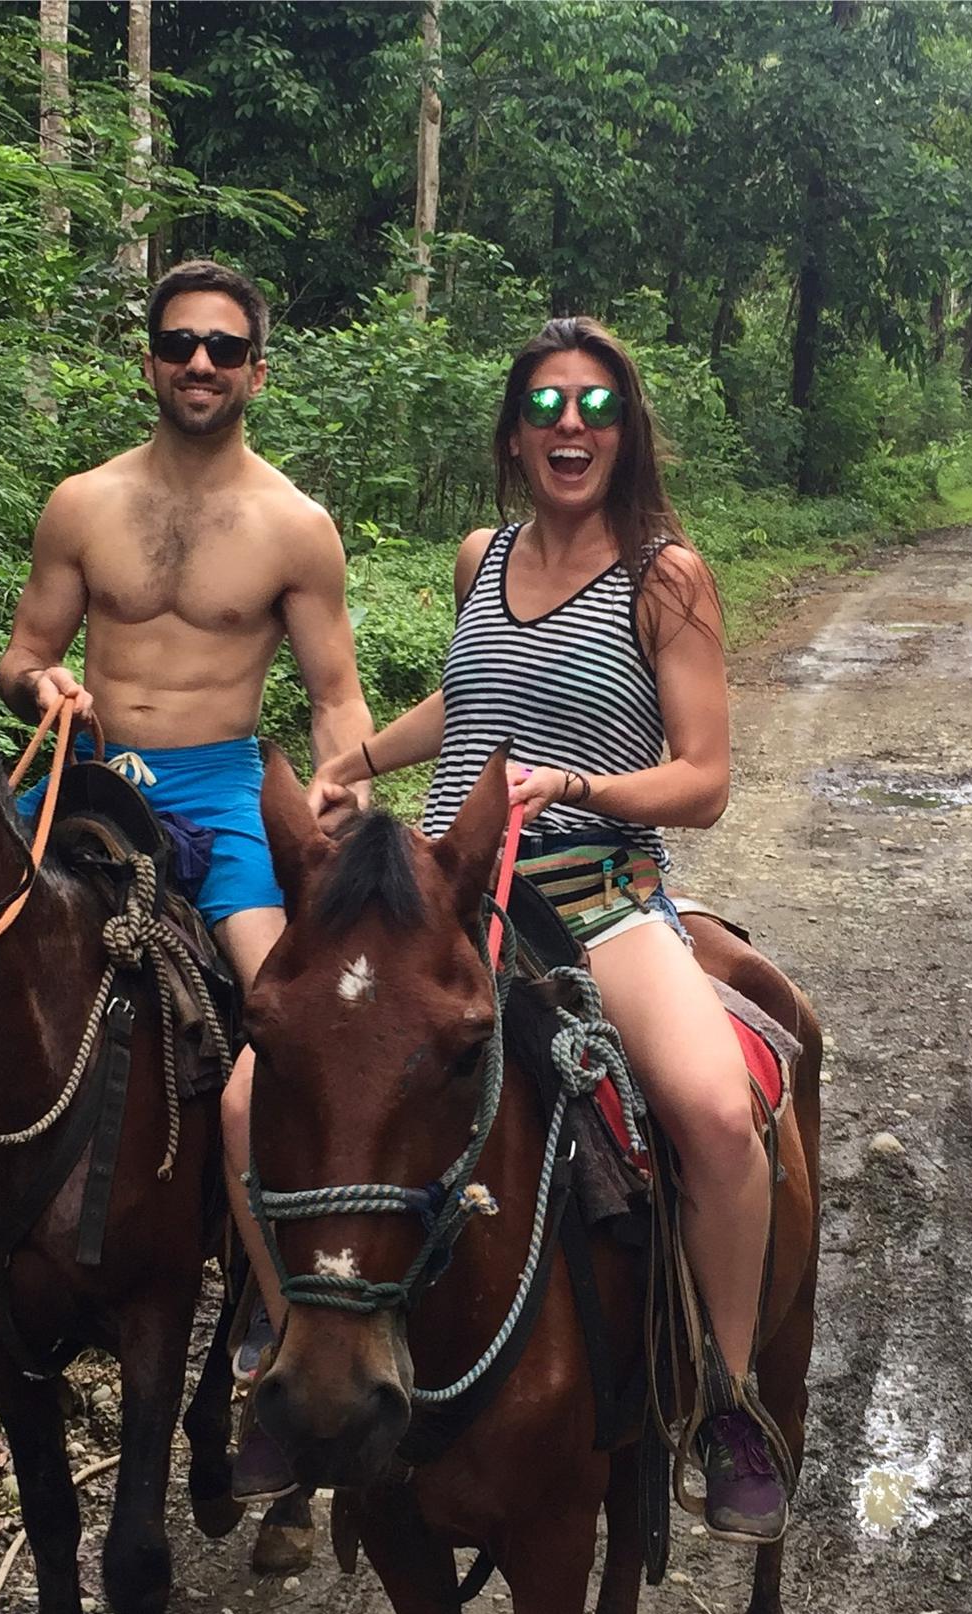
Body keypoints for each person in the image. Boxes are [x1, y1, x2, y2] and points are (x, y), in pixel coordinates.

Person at [0, 261, 374, 1470]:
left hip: (222, 787)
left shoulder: (294, 526)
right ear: (149, 361)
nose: (200, 364)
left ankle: (269, 1289)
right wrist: (42, 683)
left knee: (281, 1021)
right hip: (81, 769)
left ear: (256, 371)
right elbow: (20, 653)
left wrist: (345, 800)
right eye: (179, 343)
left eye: (224, 348)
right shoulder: (83, 503)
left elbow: (334, 695)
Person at [308, 315, 788, 1544]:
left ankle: (725, 1399)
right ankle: (287, 1356)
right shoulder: (483, 555)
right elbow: (473, 695)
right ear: (514, 433)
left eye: (593, 407)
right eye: (542, 407)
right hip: (442, 893)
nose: (567, 428)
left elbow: (704, 777)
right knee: (272, 1091)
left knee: (715, 1112)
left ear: (625, 430)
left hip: (595, 894)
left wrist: (576, 786)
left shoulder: (663, 574)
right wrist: (356, 759)